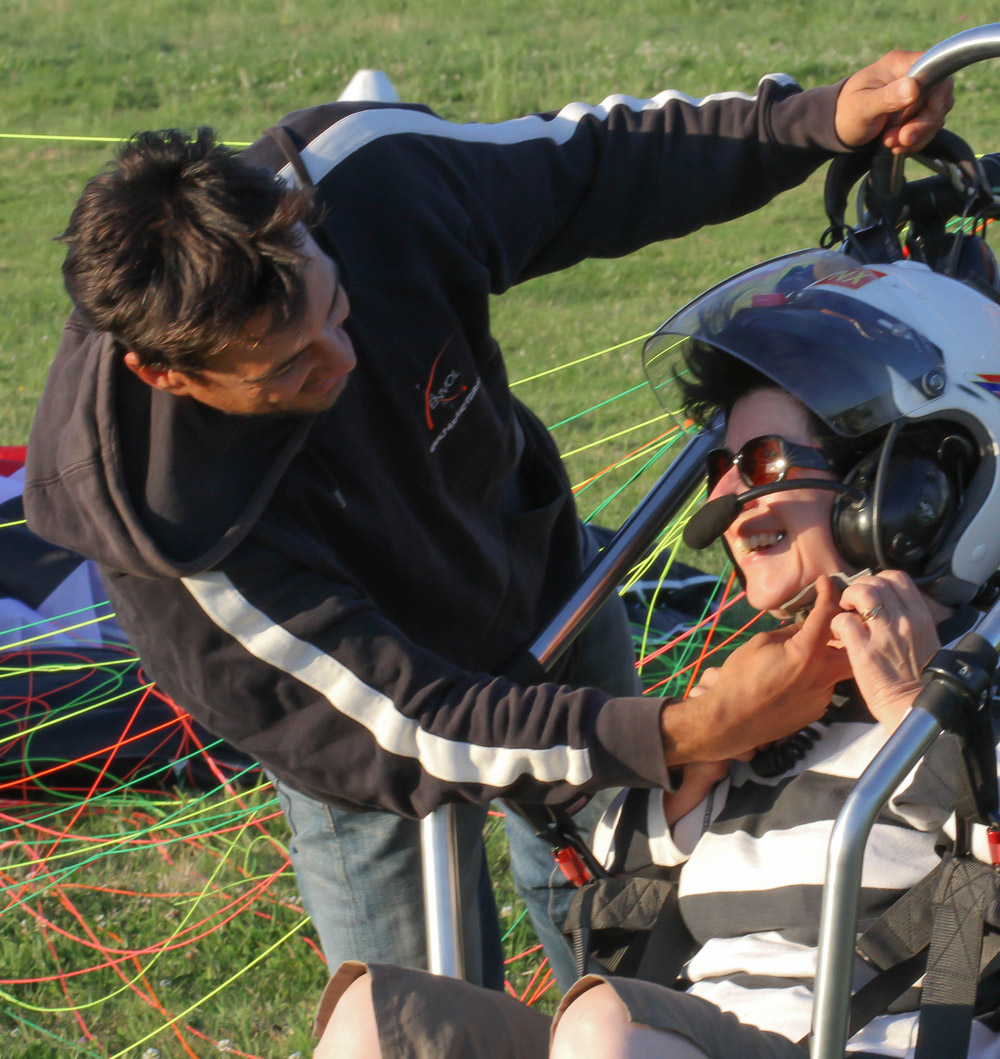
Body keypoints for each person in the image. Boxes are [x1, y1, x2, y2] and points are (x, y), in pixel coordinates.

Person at [23, 52, 952, 988]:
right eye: (287, 372)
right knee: (421, 1014)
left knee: (627, 909)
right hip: (377, 730)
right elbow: (422, 724)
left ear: (299, 216)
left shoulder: (368, 176)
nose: (340, 361)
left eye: (339, 311)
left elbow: (590, 167)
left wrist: (815, 120)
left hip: (542, 586)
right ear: (168, 374)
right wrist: (685, 731)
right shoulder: (172, 541)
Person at [314, 241, 1000, 1057]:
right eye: (720, 466)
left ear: (911, 480)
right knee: (376, 1022)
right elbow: (622, 913)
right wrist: (703, 750)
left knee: (607, 1026)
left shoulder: (978, 671)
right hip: (675, 1033)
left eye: (761, 461)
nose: (724, 500)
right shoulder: (762, 689)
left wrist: (912, 714)